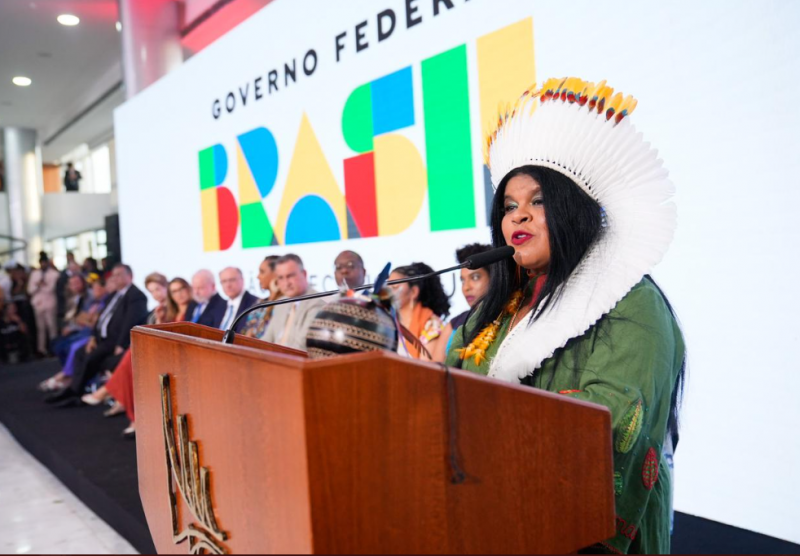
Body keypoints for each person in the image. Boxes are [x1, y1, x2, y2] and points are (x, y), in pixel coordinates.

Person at [445, 77, 685, 554]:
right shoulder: (498, 308)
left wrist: (485, 434)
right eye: (510, 206)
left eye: (538, 202)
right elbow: (446, 382)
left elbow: (613, 419)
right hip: (482, 518)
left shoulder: (632, 303)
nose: (518, 217)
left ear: (573, 212)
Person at [45, 263, 148, 407]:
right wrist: (93, 337)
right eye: (114, 275)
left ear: (130, 276)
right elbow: (101, 318)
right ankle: (73, 389)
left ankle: (76, 393)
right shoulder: (114, 295)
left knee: (90, 358)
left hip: (114, 341)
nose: (115, 278)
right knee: (79, 353)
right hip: (101, 338)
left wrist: (120, 344)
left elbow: (131, 323)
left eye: (119, 274)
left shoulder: (136, 296)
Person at [431, 243, 492, 362]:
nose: (466, 287)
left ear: (494, 277)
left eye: (475, 277)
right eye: (463, 281)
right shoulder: (454, 324)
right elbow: (435, 371)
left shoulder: (507, 319)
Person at [261, 254, 326, 351]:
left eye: (290, 276)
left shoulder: (318, 302)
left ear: (304, 274)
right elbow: (267, 340)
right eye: (281, 278)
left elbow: (302, 346)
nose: (286, 283)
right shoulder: (281, 302)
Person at [388, 262, 450, 360]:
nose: (388, 291)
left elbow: (426, 369)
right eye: (387, 286)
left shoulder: (432, 325)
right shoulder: (387, 320)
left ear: (413, 292)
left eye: (394, 287)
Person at [241, 255, 282, 338]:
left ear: (276, 274)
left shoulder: (286, 303)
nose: (258, 277)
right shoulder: (259, 303)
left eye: (262, 272)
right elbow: (244, 330)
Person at [27, 254, 60, 356]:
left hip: (50, 303)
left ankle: (54, 347)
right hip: (38, 304)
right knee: (40, 328)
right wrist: (39, 285)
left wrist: (41, 285)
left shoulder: (54, 274)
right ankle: (41, 349)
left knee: (52, 326)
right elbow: (30, 289)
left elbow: (51, 288)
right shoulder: (35, 274)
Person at [218, 267, 258, 333]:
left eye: (232, 280)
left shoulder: (254, 304)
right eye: (224, 281)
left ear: (242, 280)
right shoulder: (219, 306)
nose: (228, 285)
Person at [0, 287, 29, 364]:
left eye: (15, 308)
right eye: (12, 309)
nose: (15, 310)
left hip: (16, 346)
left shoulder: (17, 319)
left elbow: (25, 331)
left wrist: (19, 321)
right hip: (4, 347)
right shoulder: (1, 322)